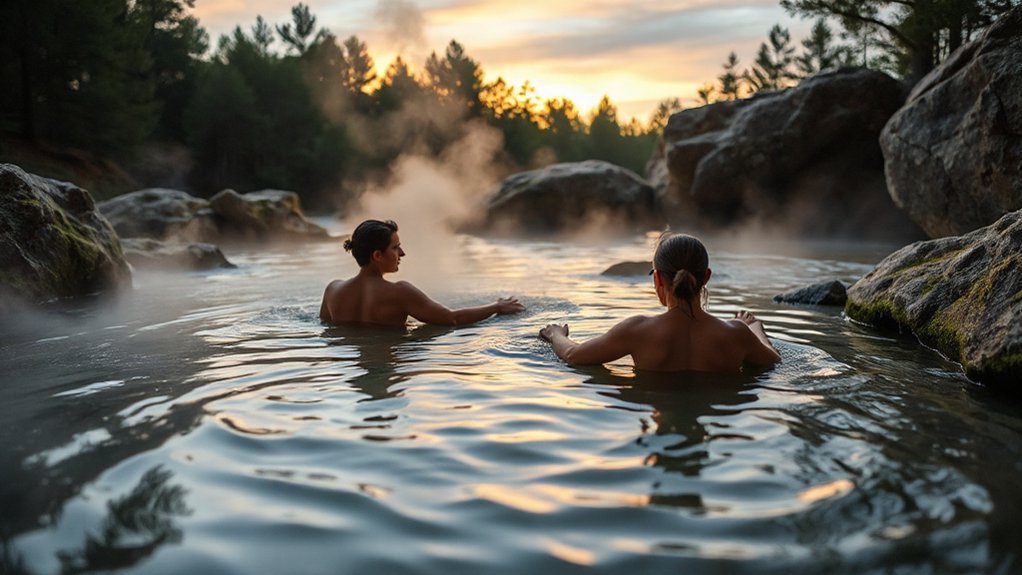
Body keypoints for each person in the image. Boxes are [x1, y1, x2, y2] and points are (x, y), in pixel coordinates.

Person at [539, 233, 781, 372]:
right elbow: (773, 359)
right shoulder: (736, 334)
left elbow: (572, 355)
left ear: (657, 278)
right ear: (706, 277)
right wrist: (754, 328)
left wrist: (555, 334)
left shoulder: (637, 330)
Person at [320, 219, 525, 327]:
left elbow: (326, 328)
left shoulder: (333, 290)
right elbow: (452, 318)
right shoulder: (399, 292)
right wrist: (496, 306)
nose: (402, 253)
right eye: (395, 248)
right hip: (388, 360)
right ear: (377, 255)